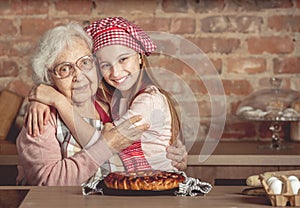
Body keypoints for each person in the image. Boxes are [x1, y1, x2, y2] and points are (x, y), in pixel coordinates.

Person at [26, 18, 187, 172]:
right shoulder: (45, 117)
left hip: (153, 187)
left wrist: (59, 101)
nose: (115, 72)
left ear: (140, 56)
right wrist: (42, 98)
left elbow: (108, 144)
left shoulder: (142, 101)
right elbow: (47, 180)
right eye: (64, 69)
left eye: (123, 59)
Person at [16, 22, 150, 186]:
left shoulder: (113, 104)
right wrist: (105, 146)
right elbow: (47, 182)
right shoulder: (42, 119)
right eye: (65, 69)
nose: (79, 76)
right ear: (49, 77)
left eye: (85, 62)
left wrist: (173, 153)